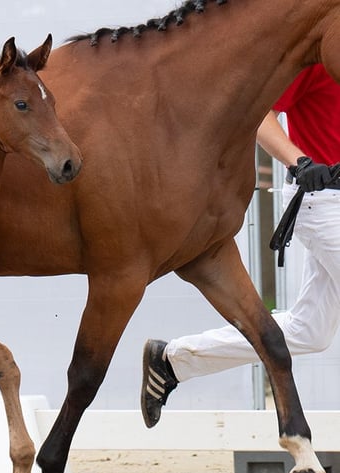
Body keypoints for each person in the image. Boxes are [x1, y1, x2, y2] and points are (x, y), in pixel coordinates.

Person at [141, 64, 340, 428]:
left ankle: (173, 360)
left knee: (310, 331)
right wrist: (298, 161)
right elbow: (260, 112)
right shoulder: (323, 60)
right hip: (323, 200)